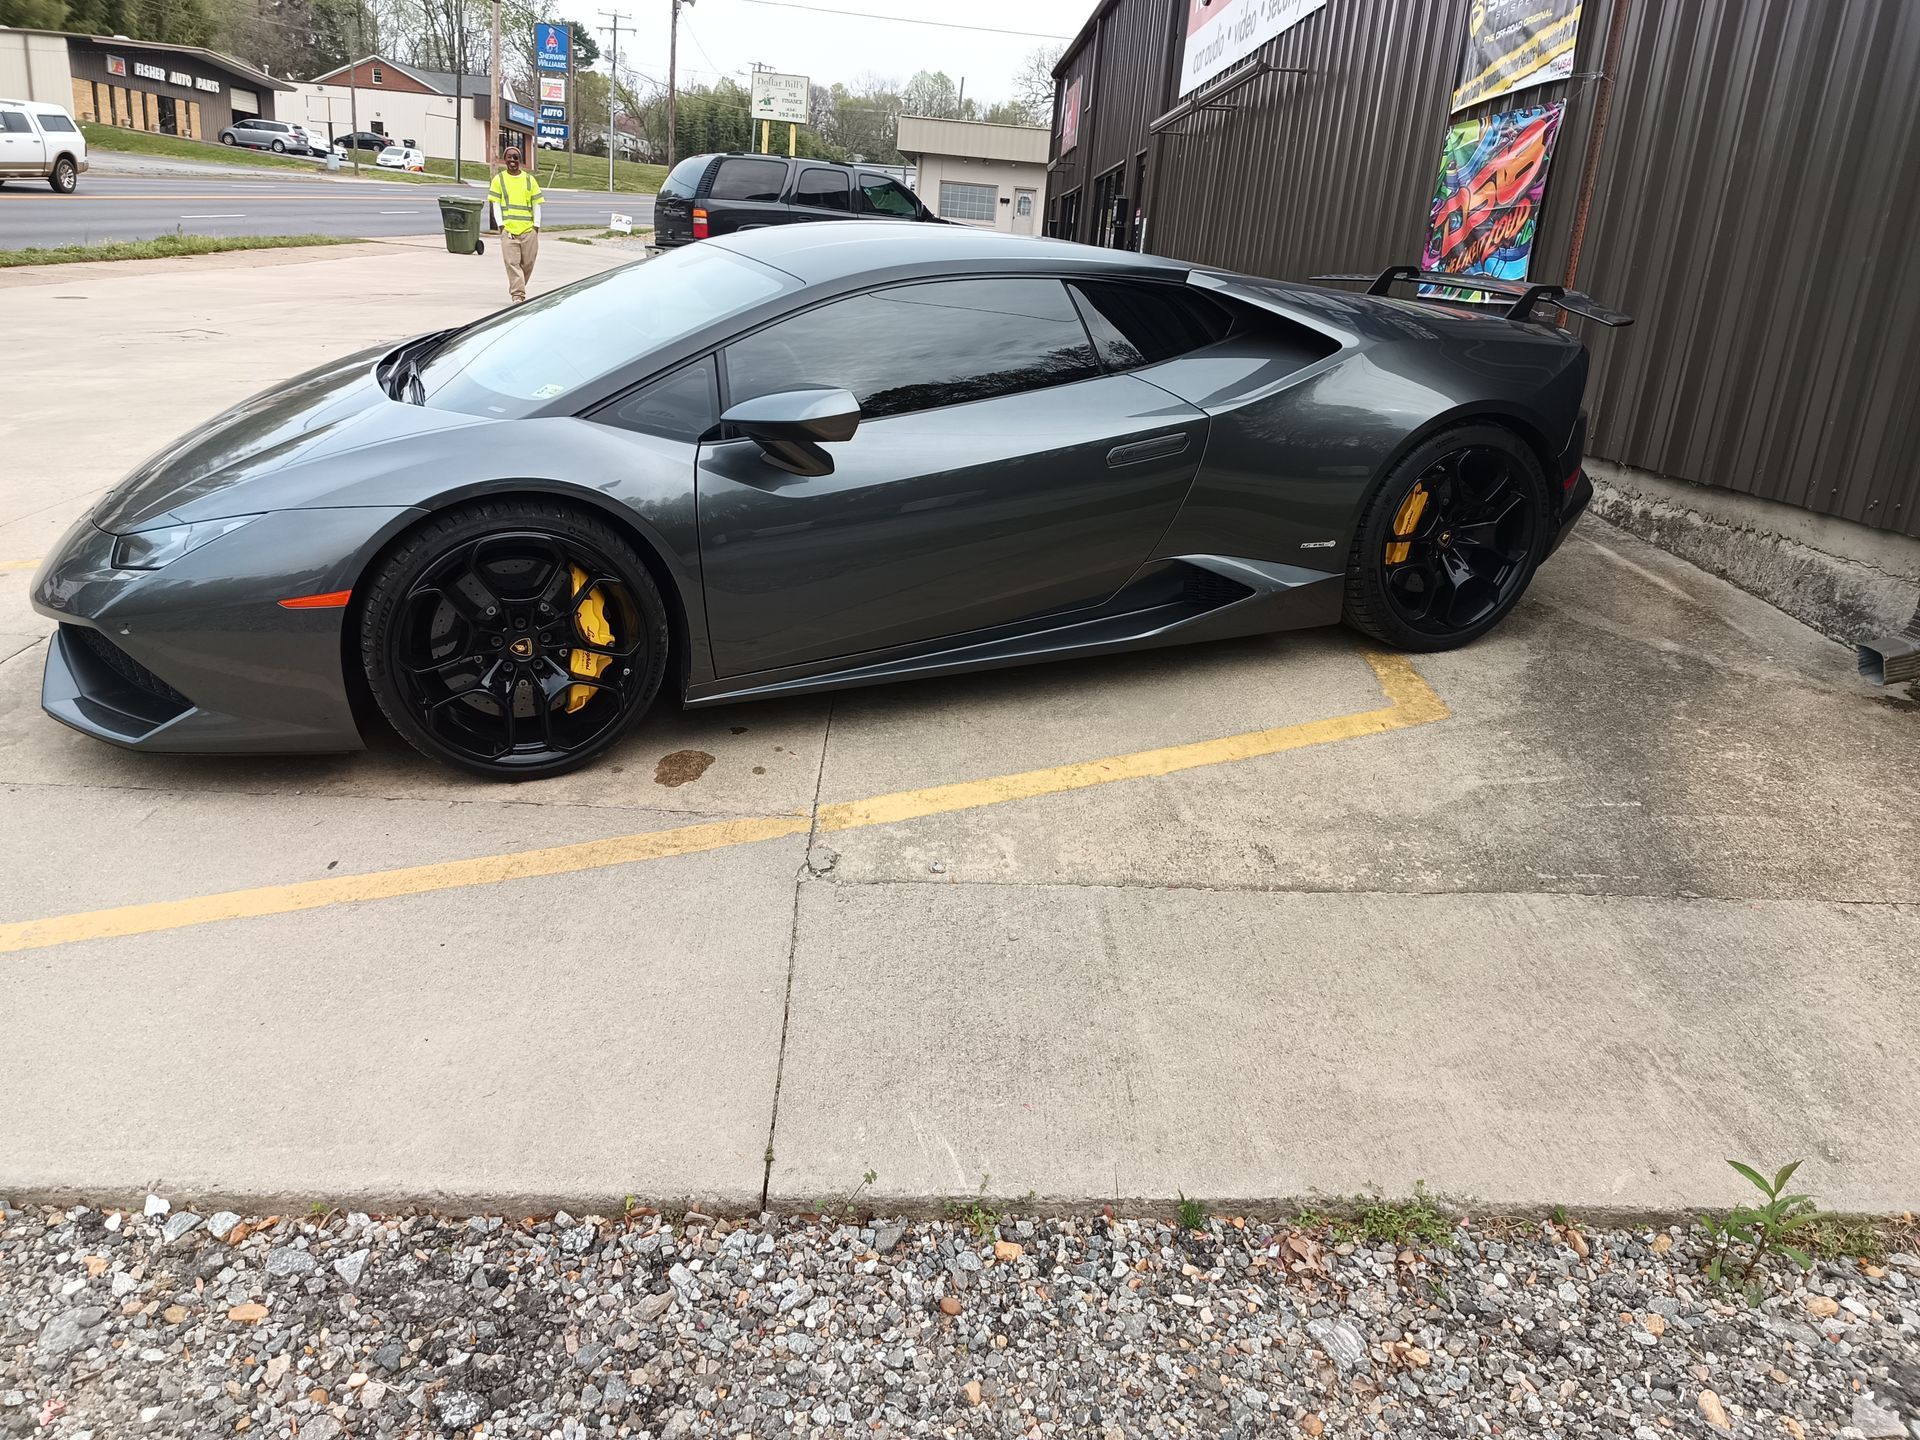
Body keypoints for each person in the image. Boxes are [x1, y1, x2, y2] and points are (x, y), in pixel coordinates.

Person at [488, 146, 544, 303]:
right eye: (509, 157)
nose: (512, 161)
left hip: (528, 230)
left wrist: (536, 227)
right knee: (512, 264)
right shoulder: (499, 180)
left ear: (520, 160)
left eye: (515, 158)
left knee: (528, 264)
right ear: (504, 160)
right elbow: (496, 204)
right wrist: (501, 226)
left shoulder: (529, 180)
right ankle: (518, 296)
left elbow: (536, 204)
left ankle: (518, 287)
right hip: (509, 231)